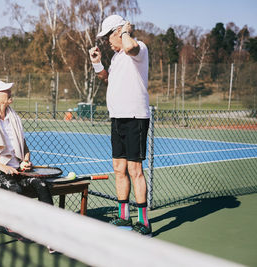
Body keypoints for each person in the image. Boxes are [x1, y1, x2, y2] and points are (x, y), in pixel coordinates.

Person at [88, 15, 151, 235]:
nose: (107, 42)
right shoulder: (116, 58)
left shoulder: (138, 48)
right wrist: (97, 63)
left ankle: (143, 222)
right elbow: (108, 79)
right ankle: (124, 217)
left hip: (135, 118)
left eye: (108, 37)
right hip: (118, 118)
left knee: (135, 170)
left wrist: (125, 31)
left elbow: (131, 47)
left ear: (118, 32)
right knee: (119, 169)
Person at [0, 79, 54, 206]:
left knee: (42, 184)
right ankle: (13, 226)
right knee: (14, 190)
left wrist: (25, 161)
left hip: (18, 172)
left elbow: (24, 148)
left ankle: (50, 224)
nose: (10, 92)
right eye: (5, 91)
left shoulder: (14, 118)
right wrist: (2, 167)